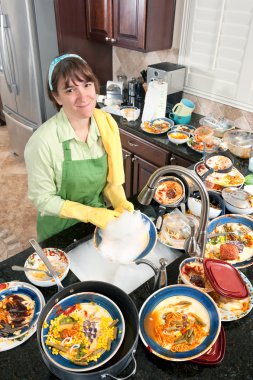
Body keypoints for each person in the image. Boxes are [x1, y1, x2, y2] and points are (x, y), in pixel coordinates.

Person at [24, 53, 134, 241]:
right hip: (59, 231)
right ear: (57, 97)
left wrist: (120, 201)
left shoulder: (106, 126)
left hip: (97, 225)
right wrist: (90, 213)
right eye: (69, 90)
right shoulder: (42, 142)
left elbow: (111, 180)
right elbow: (42, 199)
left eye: (87, 84)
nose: (83, 96)